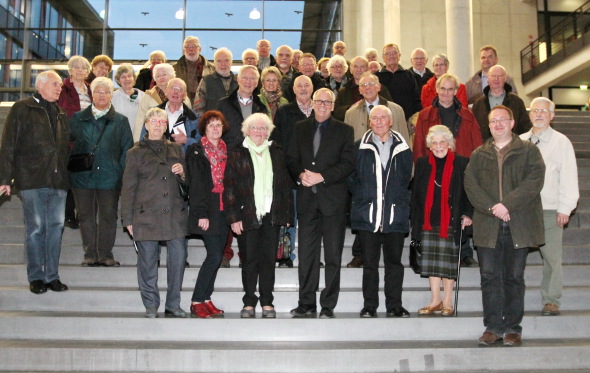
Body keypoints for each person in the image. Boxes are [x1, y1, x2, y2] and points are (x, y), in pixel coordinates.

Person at [464, 105, 545, 347]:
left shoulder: (528, 150)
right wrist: (492, 208)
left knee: (513, 277)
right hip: (488, 224)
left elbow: (534, 181)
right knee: (489, 277)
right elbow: (470, 184)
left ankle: (512, 328)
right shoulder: (479, 153)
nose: (497, 124)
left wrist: (506, 205)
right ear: (488, 126)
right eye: (492, 121)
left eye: (502, 120)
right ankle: (492, 327)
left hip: (518, 222)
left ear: (512, 123)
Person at [0, 70, 70, 294]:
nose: (59, 88)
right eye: (54, 84)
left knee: (56, 229)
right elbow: (8, 144)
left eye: (60, 85)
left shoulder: (60, 112)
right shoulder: (22, 108)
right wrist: (5, 178)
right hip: (31, 180)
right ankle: (36, 277)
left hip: (57, 182)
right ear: (40, 86)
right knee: (36, 229)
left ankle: (52, 276)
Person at [287, 88, 355, 318]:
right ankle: (306, 302)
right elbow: (291, 159)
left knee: (333, 255)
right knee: (307, 254)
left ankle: (328, 305)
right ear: (312, 103)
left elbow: (348, 164)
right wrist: (300, 175)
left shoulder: (345, 130)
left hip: (333, 201)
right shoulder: (299, 128)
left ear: (333, 106)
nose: (323, 105)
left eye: (327, 102)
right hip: (307, 201)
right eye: (319, 101)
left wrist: (322, 176)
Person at [224, 113, 294, 318]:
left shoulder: (277, 152)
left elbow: (285, 185)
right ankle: (248, 301)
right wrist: (233, 217)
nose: (259, 132)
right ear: (247, 131)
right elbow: (229, 187)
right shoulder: (237, 152)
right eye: (255, 128)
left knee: (268, 260)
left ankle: (267, 301)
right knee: (249, 260)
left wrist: (287, 213)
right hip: (246, 215)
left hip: (272, 215)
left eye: (264, 128)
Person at [121, 107, 188, 318]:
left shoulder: (176, 149)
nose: (158, 125)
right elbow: (128, 187)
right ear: (146, 125)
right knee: (148, 263)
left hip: (174, 214)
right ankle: (151, 305)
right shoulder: (135, 152)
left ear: (166, 126)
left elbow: (188, 182)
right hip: (146, 214)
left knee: (177, 261)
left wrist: (183, 173)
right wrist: (127, 218)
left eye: (161, 121)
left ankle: (173, 304)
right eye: (154, 121)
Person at [350, 105, 413, 318]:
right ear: (369, 122)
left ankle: (395, 305)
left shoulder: (404, 149)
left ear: (391, 121)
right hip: (368, 215)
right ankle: (370, 306)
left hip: (394, 215)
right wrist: (365, 196)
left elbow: (406, 179)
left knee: (394, 263)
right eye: (374, 118)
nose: (378, 122)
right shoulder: (358, 148)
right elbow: (352, 179)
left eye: (382, 118)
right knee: (370, 264)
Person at [520, 97, 579, 316]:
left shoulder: (561, 142)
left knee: (552, 259)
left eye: (544, 111)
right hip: (523, 210)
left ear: (552, 116)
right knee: (515, 258)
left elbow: (569, 176)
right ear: (529, 114)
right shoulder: (520, 140)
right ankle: (514, 299)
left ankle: (551, 299)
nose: (539, 114)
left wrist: (566, 207)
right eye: (535, 110)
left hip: (550, 209)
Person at [68, 77, 133, 267]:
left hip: (109, 177)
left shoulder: (120, 121)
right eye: (98, 91)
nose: (102, 95)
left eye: (106, 91)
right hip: (82, 177)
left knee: (108, 215)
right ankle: (90, 254)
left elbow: (126, 149)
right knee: (86, 215)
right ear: (92, 94)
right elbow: (66, 144)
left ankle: (105, 254)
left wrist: (119, 172)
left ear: (111, 95)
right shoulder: (77, 118)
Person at [411, 125, 473, 317]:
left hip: (451, 220)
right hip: (428, 220)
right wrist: (415, 222)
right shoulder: (422, 163)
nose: (438, 146)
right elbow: (416, 196)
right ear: (430, 146)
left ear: (450, 144)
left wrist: (468, 214)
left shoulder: (462, 163)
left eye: (442, 142)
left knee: (447, 264)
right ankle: (435, 300)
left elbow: (469, 192)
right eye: (434, 143)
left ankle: (447, 301)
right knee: (431, 264)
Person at [186, 110, 231, 318]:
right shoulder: (196, 150)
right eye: (211, 125)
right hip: (207, 208)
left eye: (219, 125)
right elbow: (195, 185)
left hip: (224, 209)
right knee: (213, 256)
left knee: (218, 255)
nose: (215, 129)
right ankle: (196, 300)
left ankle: (206, 298)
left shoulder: (226, 150)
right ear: (204, 128)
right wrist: (201, 214)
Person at [271, 74, 315, 268]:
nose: (303, 88)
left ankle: (311, 257)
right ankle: (287, 256)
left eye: (307, 85)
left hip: (316, 176)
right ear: (294, 90)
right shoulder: (284, 112)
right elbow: (276, 143)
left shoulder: (321, 110)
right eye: (300, 86)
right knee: (290, 217)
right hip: (290, 174)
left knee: (312, 219)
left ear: (312, 88)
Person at [57, 55, 93, 229]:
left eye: (83, 68)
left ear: (88, 72)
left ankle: (83, 214)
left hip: (88, 141)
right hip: (69, 140)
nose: (80, 70)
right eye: (76, 67)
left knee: (84, 178)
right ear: (70, 70)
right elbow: (60, 113)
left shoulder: (90, 89)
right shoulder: (64, 89)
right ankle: (68, 214)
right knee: (70, 178)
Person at [413, 73, 482, 162]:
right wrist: (421, 169)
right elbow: (418, 146)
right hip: (434, 166)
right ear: (437, 89)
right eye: (443, 88)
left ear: (456, 91)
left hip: (462, 166)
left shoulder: (468, 115)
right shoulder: (424, 115)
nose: (446, 93)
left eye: (450, 89)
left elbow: (477, 143)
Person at [138, 78, 200, 153]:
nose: (175, 92)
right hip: (156, 160)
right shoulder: (152, 114)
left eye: (179, 89)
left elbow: (201, 144)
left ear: (185, 95)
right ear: (166, 92)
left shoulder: (194, 118)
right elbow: (143, 140)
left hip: (183, 161)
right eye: (172, 88)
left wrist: (186, 140)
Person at [133, 63, 191, 142]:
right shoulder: (147, 96)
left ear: (172, 76)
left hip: (178, 142)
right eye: (158, 76)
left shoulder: (182, 96)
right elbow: (140, 122)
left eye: (164, 74)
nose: (161, 78)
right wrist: (138, 143)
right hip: (154, 141)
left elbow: (190, 120)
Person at [344, 72, 408, 143]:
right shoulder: (350, 114)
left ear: (379, 87)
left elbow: (405, 139)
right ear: (360, 90)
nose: (367, 88)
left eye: (371, 84)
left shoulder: (397, 110)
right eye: (363, 85)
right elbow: (348, 144)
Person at [472, 65, 531, 140]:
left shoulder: (517, 102)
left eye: (500, 75)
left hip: (511, 148)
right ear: (488, 79)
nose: (496, 79)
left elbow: (525, 128)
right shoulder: (478, 104)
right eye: (493, 76)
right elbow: (474, 130)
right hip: (485, 148)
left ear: (505, 78)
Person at [219, 65, 268, 149]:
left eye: (252, 78)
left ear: (256, 83)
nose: (248, 82)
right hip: (229, 155)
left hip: (253, 155)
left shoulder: (261, 108)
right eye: (245, 78)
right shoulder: (223, 105)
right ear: (238, 80)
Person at [376, 43, 422, 120]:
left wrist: (414, 118)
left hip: (406, 119)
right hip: (383, 119)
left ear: (399, 55)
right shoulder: (377, 77)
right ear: (383, 58)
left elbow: (416, 99)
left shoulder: (409, 75)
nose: (391, 56)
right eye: (388, 54)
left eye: (394, 53)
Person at [193, 47, 238, 117]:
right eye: (219, 61)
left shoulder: (239, 82)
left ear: (231, 62)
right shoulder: (206, 81)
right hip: (212, 126)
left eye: (226, 60)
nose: (223, 64)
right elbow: (198, 109)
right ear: (214, 63)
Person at [173, 36, 215, 104]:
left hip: (205, 105)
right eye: (188, 47)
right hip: (181, 104)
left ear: (200, 49)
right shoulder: (174, 68)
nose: (191, 49)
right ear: (184, 50)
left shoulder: (212, 69)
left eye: (194, 46)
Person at [111, 63, 145, 131]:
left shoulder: (144, 96)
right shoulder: (112, 97)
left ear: (134, 78)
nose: (127, 79)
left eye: (129, 76)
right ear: (118, 80)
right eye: (123, 77)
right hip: (119, 137)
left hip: (139, 138)